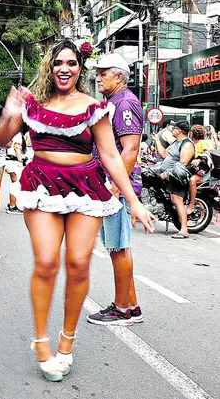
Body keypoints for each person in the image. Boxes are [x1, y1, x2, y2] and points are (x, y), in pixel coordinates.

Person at [0, 40, 154, 382]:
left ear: (79, 69)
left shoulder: (95, 107)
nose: (64, 68)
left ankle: (67, 341)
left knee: (79, 264)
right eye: (58, 63)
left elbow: (111, 155)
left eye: (71, 63)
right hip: (42, 184)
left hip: (85, 188)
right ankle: (40, 341)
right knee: (47, 262)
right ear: (49, 68)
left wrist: (135, 202)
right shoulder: (32, 105)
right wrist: (10, 111)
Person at [85, 53, 146, 326]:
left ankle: (121, 309)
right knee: (116, 247)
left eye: (103, 73)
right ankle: (131, 305)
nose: (98, 77)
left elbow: (131, 148)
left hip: (116, 187)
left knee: (119, 247)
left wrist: (116, 188)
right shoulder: (114, 102)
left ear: (119, 76)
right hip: (109, 185)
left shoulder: (124, 104)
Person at [146, 120, 194, 238]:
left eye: (174, 128)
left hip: (176, 176)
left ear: (179, 130)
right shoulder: (175, 143)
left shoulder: (187, 144)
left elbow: (183, 163)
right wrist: (157, 139)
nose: (172, 130)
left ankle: (184, 230)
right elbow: (163, 154)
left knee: (177, 200)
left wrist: (167, 174)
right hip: (166, 173)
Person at [185, 124, 212, 213]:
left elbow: (207, 155)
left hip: (202, 172)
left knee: (192, 180)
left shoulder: (202, 143)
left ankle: (191, 205)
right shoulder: (190, 143)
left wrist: (199, 160)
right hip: (193, 170)